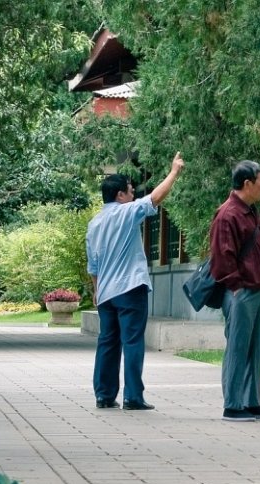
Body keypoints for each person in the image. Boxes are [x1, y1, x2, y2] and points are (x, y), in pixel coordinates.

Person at [86, 152, 185, 410]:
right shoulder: (127, 212)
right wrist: (174, 172)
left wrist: (97, 291)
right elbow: (155, 198)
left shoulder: (94, 224)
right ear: (120, 195)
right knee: (132, 341)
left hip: (106, 292)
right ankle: (133, 397)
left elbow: (93, 264)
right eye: (130, 191)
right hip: (130, 288)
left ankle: (104, 395)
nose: (133, 195)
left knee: (107, 342)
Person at [210, 160, 260, 422]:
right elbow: (222, 257)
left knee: (256, 349)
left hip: (257, 291)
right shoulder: (228, 214)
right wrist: (237, 288)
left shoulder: (250, 211)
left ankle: (251, 401)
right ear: (247, 183)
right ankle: (233, 404)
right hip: (241, 292)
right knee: (238, 348)